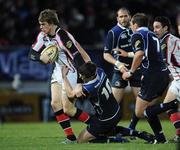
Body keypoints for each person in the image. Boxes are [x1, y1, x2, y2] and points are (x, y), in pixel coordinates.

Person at [28, 9, 92, 143]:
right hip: (58, 71)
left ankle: (97, 126)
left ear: (51, 23)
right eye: (40, 24)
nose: (41, 27)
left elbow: (76, 56)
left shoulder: (63, 36)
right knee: (55, 104)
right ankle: (70, 137)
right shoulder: (43, 36)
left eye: (43, 24)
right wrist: (42, 58)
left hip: (71, 72)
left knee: (68, 109)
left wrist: (81, 77)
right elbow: (32, 54)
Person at [61, 61, 155, 143]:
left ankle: (113, 140)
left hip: (105, 119)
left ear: (89, 76)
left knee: (81, 140)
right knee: (109, 130)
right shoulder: (100, 71)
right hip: (116, 111)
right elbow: (89, 63)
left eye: (82, 76)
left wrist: (64, 76)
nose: (80, 77)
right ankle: (140, 134)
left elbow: (70, 94)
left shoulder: (89, 88)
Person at [122, 13, 170, 143]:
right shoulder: (152, 35)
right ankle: (160, 139)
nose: (131, 26)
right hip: (162, 73)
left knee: (139, 112)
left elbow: (140, 54)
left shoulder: (137, 35)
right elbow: (150, 55)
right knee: (148, 110)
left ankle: (173, 104)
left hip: (153, 75)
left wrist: (131, 72)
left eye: (131, 23)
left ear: (135, 24)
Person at [103, 8, 141, 130]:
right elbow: (106, 54)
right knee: (113, 104)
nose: (123, 19)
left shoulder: (136, 30)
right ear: (117, 18)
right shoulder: (113, 32)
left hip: (136, 69)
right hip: (120, 71)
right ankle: (109, 129)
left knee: (141, 102)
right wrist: (119, 64)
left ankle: (132, 127)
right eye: (121, 17)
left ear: (130, 16)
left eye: (125, 16)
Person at [144, 16, 180, 143]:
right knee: (168, 106)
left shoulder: (166, 41)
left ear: (165, 28)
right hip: (176, 79)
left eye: (158, 27)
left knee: (165, 107)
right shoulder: (171, 39)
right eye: (153, 27)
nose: (155, 30)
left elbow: (161, 63)